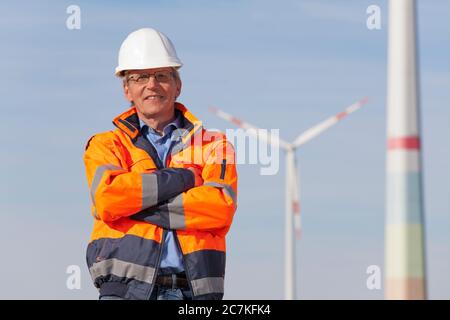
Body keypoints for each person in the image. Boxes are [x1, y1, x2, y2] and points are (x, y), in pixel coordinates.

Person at [83, 28, 238, 300]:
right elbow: (108, 199)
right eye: (140, 77)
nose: (151, 84)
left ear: (178, 86)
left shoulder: (215, 145)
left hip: (196, 293)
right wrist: (185, 179)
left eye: (161, 76)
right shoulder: (106, 145)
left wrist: (131, 205)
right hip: (124, 292)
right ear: (127, 89)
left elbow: (218, 208)